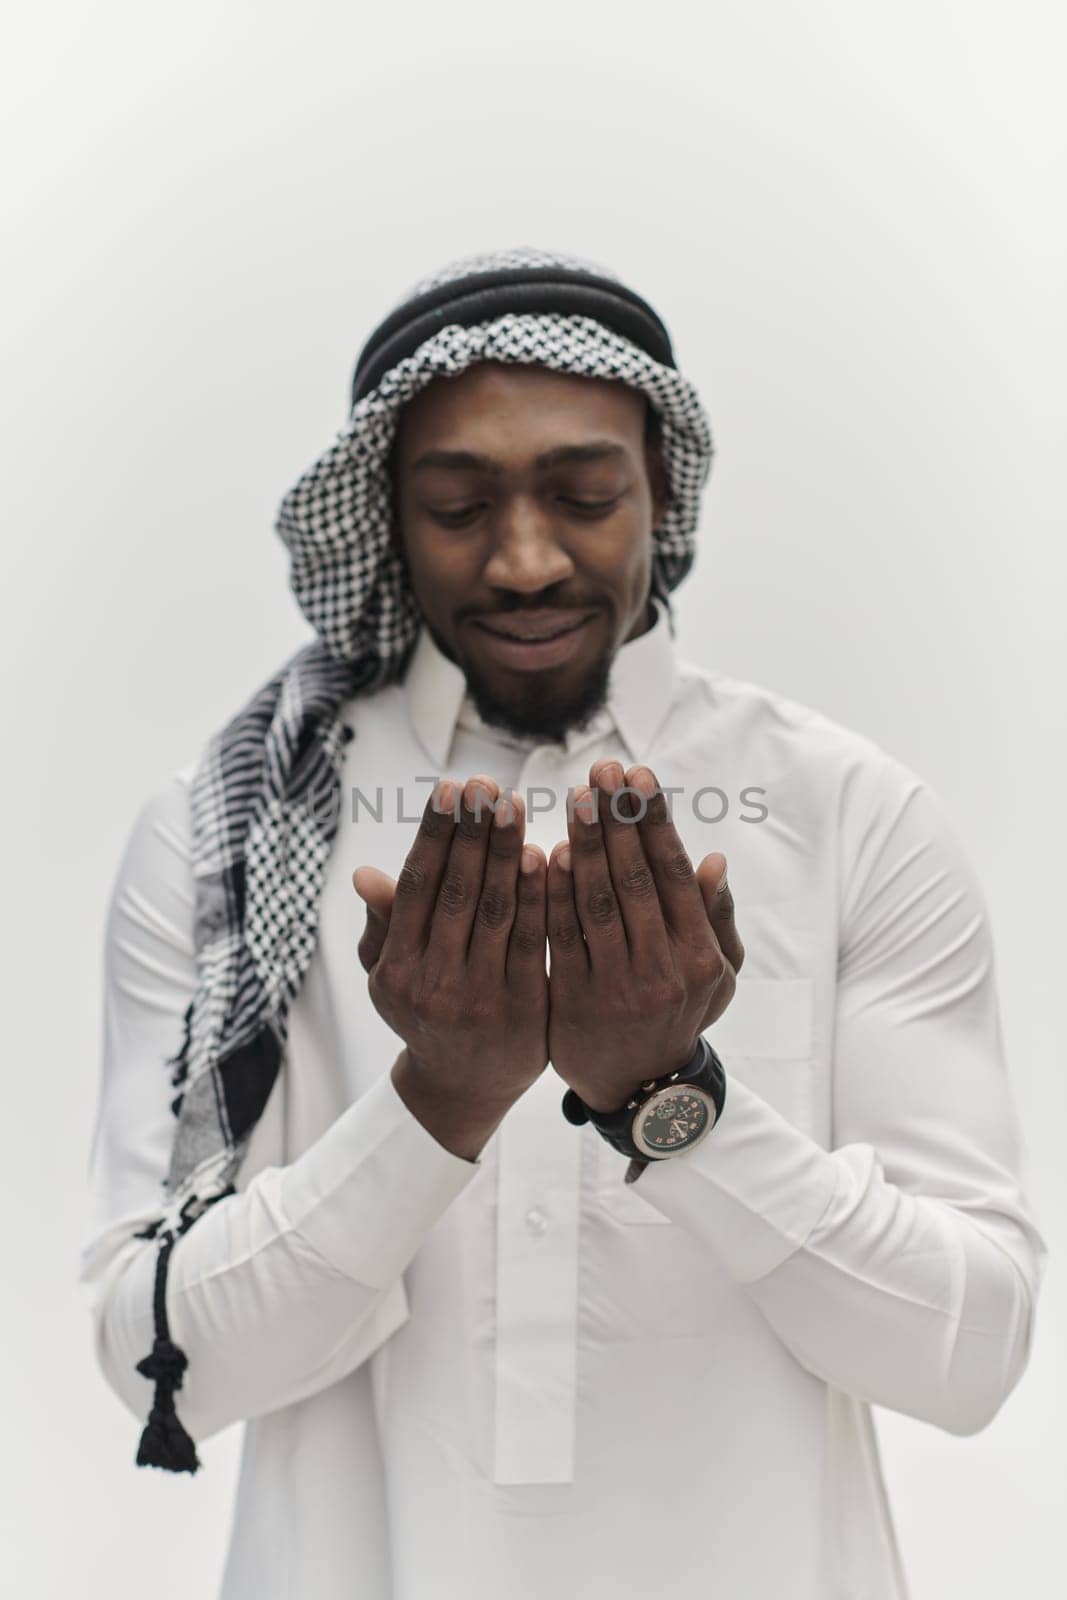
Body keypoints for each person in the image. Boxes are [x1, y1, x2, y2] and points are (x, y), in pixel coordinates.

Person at [79, 248, 1045, 1600]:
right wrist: (435, 1107)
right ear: (387, 517)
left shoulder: (847, 818)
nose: (526, 560)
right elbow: (157, 1363)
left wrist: (675, 1100)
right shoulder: (231, 837)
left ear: (664, 494)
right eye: (457, 506)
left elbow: (968, 1356)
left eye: (586, 498)